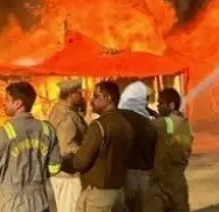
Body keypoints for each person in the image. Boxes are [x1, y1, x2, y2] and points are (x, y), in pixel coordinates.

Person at [0, 81, 61, 212]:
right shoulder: (47, 130)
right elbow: (54, 168)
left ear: (18, 103)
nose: (4, 103)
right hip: (40, 203)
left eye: (7, 100)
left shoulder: (4, 134)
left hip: (13, 205)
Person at [61, 81, 134, 212]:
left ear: (108, 99)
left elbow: (79, 162)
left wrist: (58, 163)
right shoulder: (126, 124)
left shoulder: (98, 126)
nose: (91, 101)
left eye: (96, 96)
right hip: (119, 192)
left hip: (98, 196)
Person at [147, 88, 193, 212]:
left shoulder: (165, 123)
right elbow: (169, 132)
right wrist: (156, 115)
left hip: (162, 182)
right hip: (178, 180)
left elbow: (146, 127)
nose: (157, 105)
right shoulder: (183, 123)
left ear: (171, 105)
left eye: (161, 103)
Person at [118, 82, 158, 212]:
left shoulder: (118, 116)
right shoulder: (143, 121)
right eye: (145, 99)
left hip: (124, 172)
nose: (147, 103)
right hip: (139, 172)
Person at [49, 80, 87, 212]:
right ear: (71, 94)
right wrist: (87, 151)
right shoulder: (66, 116)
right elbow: (66, 148)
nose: (81, 96)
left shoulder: (58, 109)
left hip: (62, 172)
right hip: (68, 173)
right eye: (79, 93)